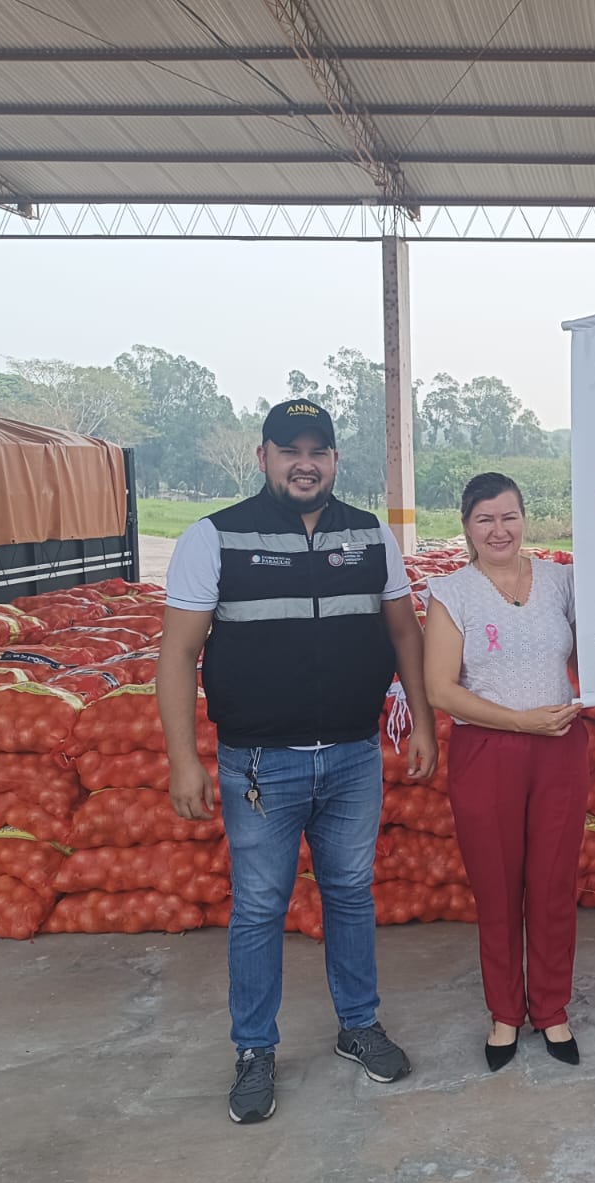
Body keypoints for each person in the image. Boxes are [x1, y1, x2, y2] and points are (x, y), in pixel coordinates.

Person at [157, 398, 438, 1126]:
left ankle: (358, 1024)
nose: (304, 462)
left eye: (317, 449)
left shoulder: (371, 535)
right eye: (289, 449)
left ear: (337, 461)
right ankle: (254, 1050)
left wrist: (423, 725)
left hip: (351, 757)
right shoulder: (214, 537)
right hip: (259, 767)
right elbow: (178, 654)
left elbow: (406, 636)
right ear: (264, 458)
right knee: (257, 910)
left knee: (350, 895)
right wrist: (183, 760)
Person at [422, 473, 595, 1072]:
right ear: (467, 527)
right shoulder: (452, 593)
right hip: (488, 752)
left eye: (509, 516)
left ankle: (550, 1008)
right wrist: (519, 723)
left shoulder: (560, 581)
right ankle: (504, 1012)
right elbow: (441, 689)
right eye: (485, 520)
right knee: (496, 888)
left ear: (527, 518)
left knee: (551, 886)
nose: (499, 530)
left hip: (560, 750)